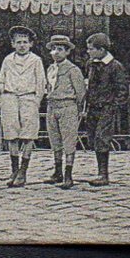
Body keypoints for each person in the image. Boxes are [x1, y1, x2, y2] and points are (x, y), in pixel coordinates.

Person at [0, 26, 47, 187]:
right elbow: (1, 80)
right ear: (13, 44)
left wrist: (36, 100)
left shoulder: (36, 60)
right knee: (12, 134)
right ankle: (14, 170)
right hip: (10, 97)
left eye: (25, 42)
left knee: (28, 134)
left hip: (28, 97)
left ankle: (23, 172)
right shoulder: (7, 60)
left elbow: (41, 82)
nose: (22, 45)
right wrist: (2, 97)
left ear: (30, 44)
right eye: (18, 42)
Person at [82, 33, 127, 188]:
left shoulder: (115, 66)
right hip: (93, 107)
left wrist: (114, 106)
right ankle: (99, 171)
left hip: (106, 107)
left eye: (91, 49)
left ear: (102, 50)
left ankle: (104, 174)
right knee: (93, 138)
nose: (89, 52)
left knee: (102, 138)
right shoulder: (91, 64)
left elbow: (122, 89)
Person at [44, 34, 87, 189]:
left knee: (68, 141)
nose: (56, 52)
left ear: (67, 52)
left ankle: (68, 175)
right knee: (55, 140)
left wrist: (78, 110)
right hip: (52, 106)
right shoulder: (51, 69)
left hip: (67, 106)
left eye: (60, 49)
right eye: (54, 49)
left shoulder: (73, 70)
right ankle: (57, 172)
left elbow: (81, 92)